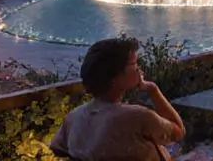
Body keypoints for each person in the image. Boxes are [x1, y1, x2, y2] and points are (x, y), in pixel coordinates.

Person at [50, 37, 186, 161]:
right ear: (115, 77)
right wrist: (153, 89)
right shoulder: (137, 117)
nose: (139, 69)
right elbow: (178, 132)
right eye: (134, 64)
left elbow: (58, 149)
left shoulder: (73, 118)